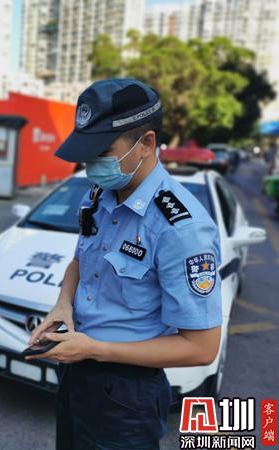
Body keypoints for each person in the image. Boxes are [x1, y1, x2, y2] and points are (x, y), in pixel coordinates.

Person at [28, 79, 222, 449]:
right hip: (75, 370)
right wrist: (63, 304)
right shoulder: (99, 195)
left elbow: (201, 347)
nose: (91, 164)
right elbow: (80, 260)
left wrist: (94, 350)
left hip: (127, 396)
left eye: (102, 151)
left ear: (146, 143)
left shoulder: (181, 228)